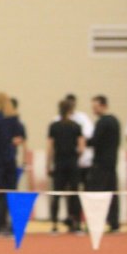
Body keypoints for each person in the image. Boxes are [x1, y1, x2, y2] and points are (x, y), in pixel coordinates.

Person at [0, 92, 26, 237]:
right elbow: (21, 137)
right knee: (11, 193)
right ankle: (10, 226)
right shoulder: (14, 118)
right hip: (10, 159)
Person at [47, 99, 84, 233]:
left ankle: (54, 224)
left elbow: (50, 147)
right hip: (72, 162)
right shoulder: (76, 126)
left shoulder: (54, 126)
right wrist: (75, 157)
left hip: (59, 162)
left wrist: (48, 164)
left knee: (56, 193)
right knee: (74, 193)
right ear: (70, 111)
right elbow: (81, 147)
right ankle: (77, 223)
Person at [86, 95, 121, 232]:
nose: (93, 110)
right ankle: (114, 222)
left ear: (103, 105)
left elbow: (95, 141)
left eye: (95, 107)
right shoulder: (115, 121)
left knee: (96, 194)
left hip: (100, 164)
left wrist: (82, 142)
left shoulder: (102, 122)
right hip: (112, 163)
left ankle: (95, 222)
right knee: (112, 194)